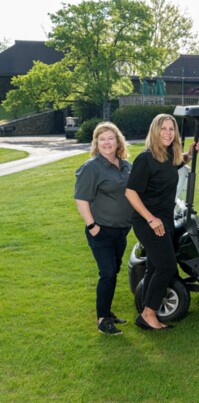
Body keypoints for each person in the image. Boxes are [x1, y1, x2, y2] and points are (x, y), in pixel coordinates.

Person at [125, 114, 199, 330]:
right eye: (163, 129)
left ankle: (144, 313)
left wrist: (190, 154)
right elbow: (130, 193)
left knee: (154, 267)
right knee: (166, 266)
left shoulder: (167, 155)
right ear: (155, 131)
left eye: (171, 129)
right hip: (148, 222)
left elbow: (177, 163)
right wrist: (151, 219)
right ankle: (149, 313)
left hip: (163, 220)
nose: (168, 133)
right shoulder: (145, 159)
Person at [75, 122, 133, 335]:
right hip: (100, 231)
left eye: (110, 138)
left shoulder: (127, 166)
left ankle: (108, 313)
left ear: (118, 141)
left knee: (114, 270)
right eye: (102, 139)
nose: (107, 143)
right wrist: (92, 225)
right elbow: (81, 199)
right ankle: (102, 320)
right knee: (107, 272)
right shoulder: (92, 167)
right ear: (96, 143)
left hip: (122, 230)